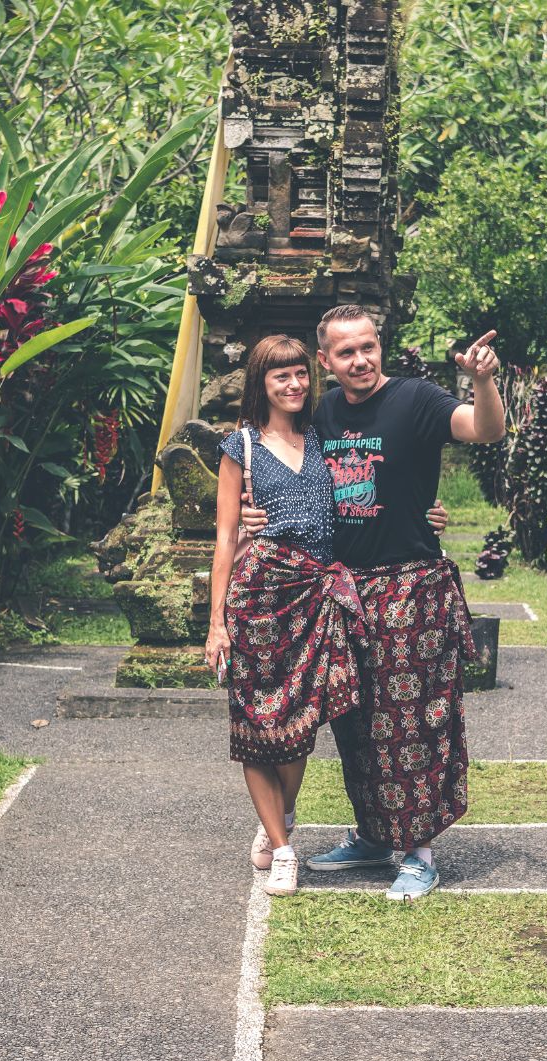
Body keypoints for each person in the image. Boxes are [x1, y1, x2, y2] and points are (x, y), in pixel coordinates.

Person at [245, 306, 505, 901]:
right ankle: (371, 834)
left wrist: (484, 382)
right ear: (325, 361)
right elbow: (270, 454)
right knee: (353, 721)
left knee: (412, 725)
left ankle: (417, 852)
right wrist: (248, 512)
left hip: (410, 586)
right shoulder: (321, 413)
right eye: (345, 353)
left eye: (368, 347)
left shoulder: (417, 399)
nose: (359, 361)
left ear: (379, 347)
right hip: (340, 590)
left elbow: (484, 429)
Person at [204, 335, 449, 898]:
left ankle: (281, 822)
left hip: (317, 596)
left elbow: (375, 488)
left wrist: (426, 512)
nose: (293, 386)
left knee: (303, 725)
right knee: (257, 726)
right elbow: (223, 539)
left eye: (298, 375)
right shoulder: (239, 445)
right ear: (260, 385)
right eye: (280, 378)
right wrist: (216, 621)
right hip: (260, 595)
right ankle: (284, 848)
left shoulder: (321, 437)